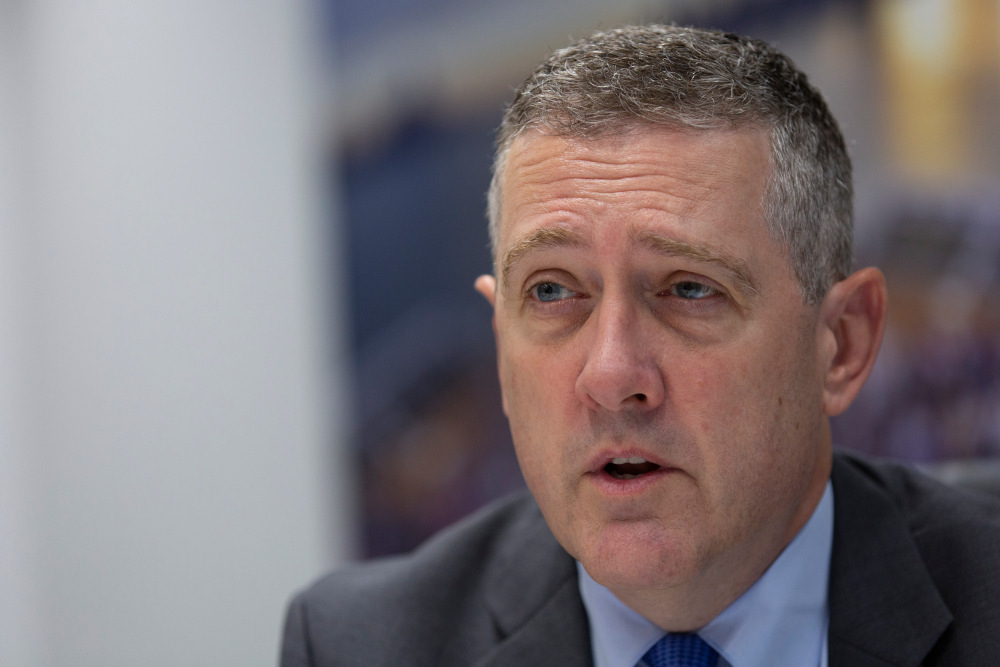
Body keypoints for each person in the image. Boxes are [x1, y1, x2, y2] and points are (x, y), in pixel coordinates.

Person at [281, 24, 1000, 666]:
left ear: (840, 344)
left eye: (689, 289)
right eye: (554, 292)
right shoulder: (358, 646)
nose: (612, 373)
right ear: (502, 349)